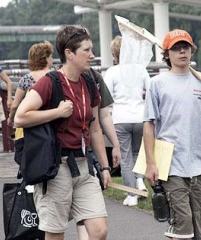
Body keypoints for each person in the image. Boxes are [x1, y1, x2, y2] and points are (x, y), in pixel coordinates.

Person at [14, 25, 111, 240]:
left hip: (84, 166)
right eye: (86, 50)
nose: (92, 55)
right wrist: (57, 112)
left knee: (99, 230)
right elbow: (20, 117)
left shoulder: (89, 82)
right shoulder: (50, 82)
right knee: (55, 233)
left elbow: (95, 128)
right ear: (69, 53)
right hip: (56, 167)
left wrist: (104, 166)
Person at [143, 29, 201, 240]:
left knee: (197, 224)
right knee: (182, 223)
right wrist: (151, 163)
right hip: (171, 162)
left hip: (199, 163)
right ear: (167, 54)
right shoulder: (158, 83)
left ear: (192, 51)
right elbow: (149, 125)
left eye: (185, 47)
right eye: (176, 48)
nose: (182, 52)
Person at [104, 35, 150, 207]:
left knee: (125, 156)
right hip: (140, 117)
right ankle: (139, 180)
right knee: (138, 152)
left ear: (115, 54)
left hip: (120, 118)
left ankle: (132, 194)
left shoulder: (112, 72)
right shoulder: (141, 70)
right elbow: (150, 90)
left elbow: (106, 97)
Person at [76, 69, 121, 240]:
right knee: (55, 229)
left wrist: (115, 145)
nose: (91, 55)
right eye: (86, 50)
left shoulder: (94, 79)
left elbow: (104, 116)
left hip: (87, 155)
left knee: (91, 223)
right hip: (61, 160)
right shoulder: (55, 81)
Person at [7, 41, 54, 129]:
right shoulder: (56, 77)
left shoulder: (26, 79)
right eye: (51, 56)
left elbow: (15, 105)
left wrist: (11, 118)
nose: (52, 59)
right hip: (54, 122)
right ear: (46, 58)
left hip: (32, 125)